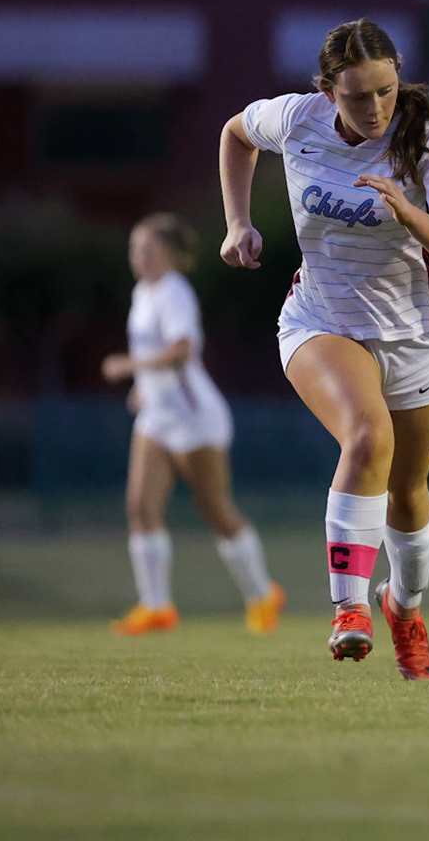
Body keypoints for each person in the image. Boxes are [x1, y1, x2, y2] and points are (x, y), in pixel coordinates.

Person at [217, 19, 429, 679]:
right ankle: (349, 610)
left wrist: (409, 213)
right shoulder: (296, 120)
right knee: (367, 437)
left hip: (415, 336)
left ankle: (405, 606)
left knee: (409, 493)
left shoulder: (428, 145)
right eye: (358, 96)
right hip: (321, 320)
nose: (375, 109)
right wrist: (238, 223)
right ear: (327, 90)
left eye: (386, 92)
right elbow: (235, 134)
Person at [102, 214, 284, 636]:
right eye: (135, 249)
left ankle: (262, 595)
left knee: (216, 511)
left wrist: (130, 367)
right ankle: (156, 606)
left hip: (193, 416)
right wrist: (143, 388)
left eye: (147, 249)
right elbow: (157, 355)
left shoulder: (173, 292)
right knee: (140, 507)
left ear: (168, 254)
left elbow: (182, 351)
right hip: (158, 416)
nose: (138, 258)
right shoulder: (143, 293)